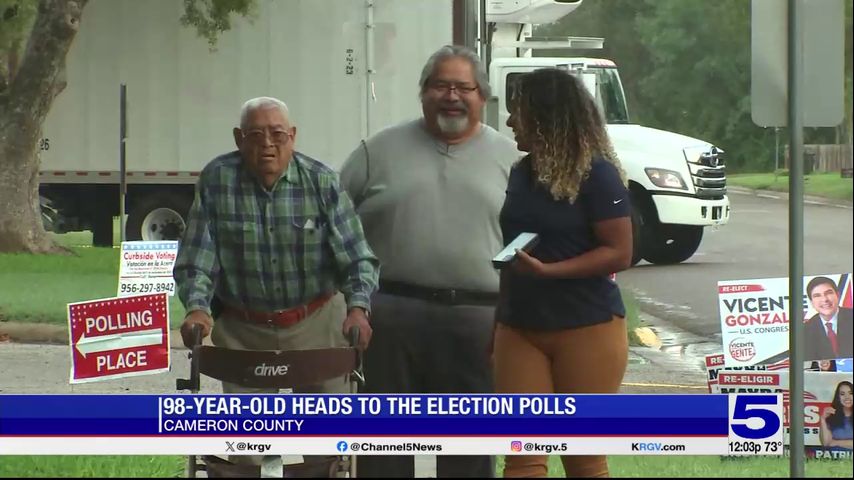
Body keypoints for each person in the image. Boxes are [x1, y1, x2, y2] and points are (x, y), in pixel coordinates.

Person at [339, 45, 519, 478]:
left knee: (469, 445)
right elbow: (334, 225)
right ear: (422, 92)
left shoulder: (512, 159)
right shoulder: (375, 152)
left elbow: (532, 240)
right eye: (441, 85)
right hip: (391, 317)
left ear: (483, 96)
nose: (451, 96)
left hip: (479, 321)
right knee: (384, 442)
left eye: (463, 87)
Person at [173, 97, 380, 468]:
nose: (267, 144)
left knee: (328, 450)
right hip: (243, 326)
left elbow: (357, 257)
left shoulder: (322, 181)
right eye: (255, 135)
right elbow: (196, 259)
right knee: (245, 452)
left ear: (293, 136)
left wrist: (358, 308)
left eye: (277, 134)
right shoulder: (217, 180)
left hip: (316, 321)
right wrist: (197, 309)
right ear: (239, 139)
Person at [495, 68, 633, 477]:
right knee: (522, 457)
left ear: (544, 116)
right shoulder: (522, 172)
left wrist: (551, 272)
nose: (508, 121)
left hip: (586, 326)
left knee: (583, 457)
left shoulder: (597, 173)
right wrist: (497, 321)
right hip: (519, 326)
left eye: (517, 111)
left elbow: (620, 252)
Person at [804, 276, 853, 361]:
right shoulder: (805, 331)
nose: (824, 299)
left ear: (837, 295)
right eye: (817, 296)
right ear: (811, 302)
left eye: (828, 293)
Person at [820, 380, 853, 449]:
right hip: (836, 459)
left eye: (850, 393)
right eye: (842, 394)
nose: (847, 397)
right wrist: (823, 419)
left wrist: (836, 442)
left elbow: (831, 443)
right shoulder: (832, 417)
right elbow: (826, 443)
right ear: (838, 398)